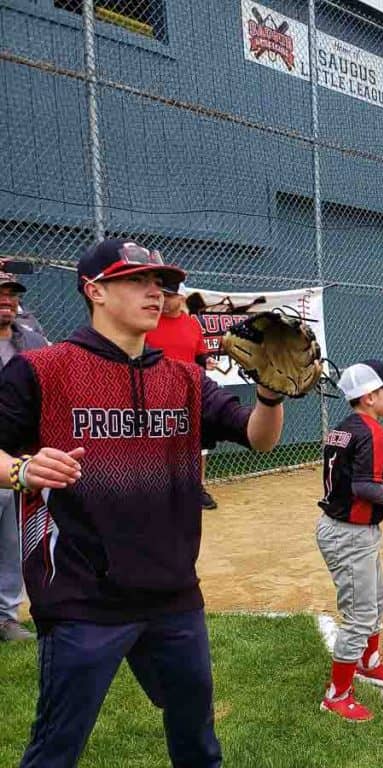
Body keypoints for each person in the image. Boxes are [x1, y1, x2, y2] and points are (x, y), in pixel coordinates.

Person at [0, 238, 287, 767]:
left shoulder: (183, 377)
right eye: (136, 280)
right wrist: (21, 469)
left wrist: (270, 395)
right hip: (82, 600)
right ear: (95, 291)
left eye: (160, 283)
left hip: (174, 596)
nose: (156, 292)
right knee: (56, 751)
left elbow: (258, 437)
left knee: (198, 745)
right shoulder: (43, 370)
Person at [316, 359, 383, 722]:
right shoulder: (373, 432)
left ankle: (368, 661)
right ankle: (337, 694)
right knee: (361, 614)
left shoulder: (344, 428)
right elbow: (363, 487)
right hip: (349, 536)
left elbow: (355, 481)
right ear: (368, 397)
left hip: (349, 530)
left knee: (378, 599)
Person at [0, 270, 48, 642]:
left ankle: (5, 615)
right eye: (0, 292)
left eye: (12, 293)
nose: (7, 299)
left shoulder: (30, 338)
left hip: (17, 455)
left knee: (12, 539)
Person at [145, 282, 220, 510]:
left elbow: (199, 354)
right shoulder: (149, 322)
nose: (164, 301)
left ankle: (197, 487)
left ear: (181, 298)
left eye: (169, 296)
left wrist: (206, 360)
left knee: (198, 442)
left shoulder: (191, 325)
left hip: (189, 391)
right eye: (161, 295)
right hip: (156, 392)